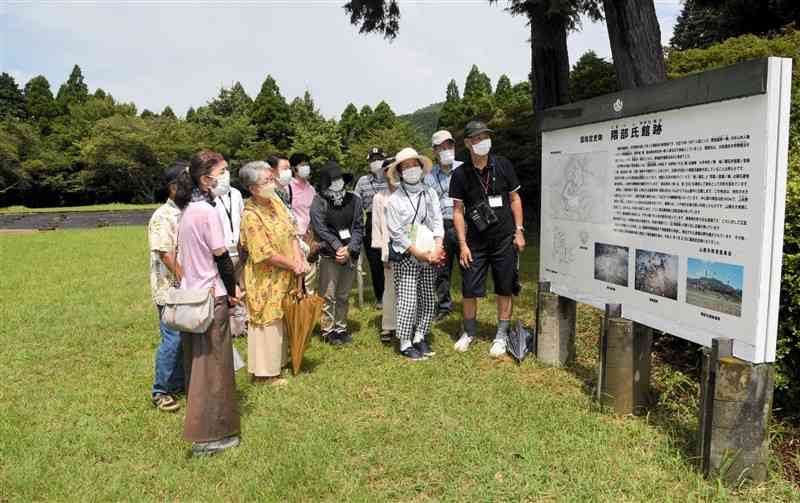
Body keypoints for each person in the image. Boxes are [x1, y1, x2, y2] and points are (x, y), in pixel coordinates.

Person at [174, 149, 240, 456]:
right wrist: (234, 288)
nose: (227, 175)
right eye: (222, 171)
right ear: (205, 179)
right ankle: (209, 435)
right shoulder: (207, 212)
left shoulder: (188, 210)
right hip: (211, 298)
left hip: (194, 298)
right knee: (213, 369)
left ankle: (206, 428)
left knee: (199, 366)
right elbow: (221, 256)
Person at [448, 120, 525, 358]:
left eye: (486, 137)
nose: (483, 142)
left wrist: (519, 230)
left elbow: (514, 199)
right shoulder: (460, 174)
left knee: (504, 286)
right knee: (469, 289)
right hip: (475, 242)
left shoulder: (502, 165)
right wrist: (462, 244)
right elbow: (458, 211)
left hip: (504, 238)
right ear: (468, 143)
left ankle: (501, 335)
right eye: (478, 139)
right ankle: (469, 332)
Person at [239, 161, 305, 386]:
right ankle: (265, 374)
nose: (272, 183)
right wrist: (292, 264)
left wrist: (298, 259)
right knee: (266, 322)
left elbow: (291, 232)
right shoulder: (251, 214)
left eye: (271, 179)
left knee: (281, 318)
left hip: (286, 274)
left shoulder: (276, 202)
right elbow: (263, 252)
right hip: (265, 278)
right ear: (252, 188)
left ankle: (279, 363)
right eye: (265, 181)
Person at [386, 148, 445, 361]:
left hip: (429, 253)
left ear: (421, 168)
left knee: (428, 298)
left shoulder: (429, 193)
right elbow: (397, 233)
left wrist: (437, 246)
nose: (411, 170)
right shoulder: (395, 200)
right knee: (408, 299)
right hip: (407, 255)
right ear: (400, 172)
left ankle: (420, 335)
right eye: (406, 166)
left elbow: (437, 221)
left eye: (414, 165)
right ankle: (405, 342)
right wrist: (418, 253)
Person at [310, 160, 364, 346]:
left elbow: (358, 226)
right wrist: (336, 246)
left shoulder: (354, 200)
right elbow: (320, 228)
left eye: (340, 178)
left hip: (349, 253)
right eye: (333, 179)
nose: (338, 182)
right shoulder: (319, 201)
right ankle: (327, 330)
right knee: (328, 294)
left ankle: (341, 328)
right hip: (329, 254)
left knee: (343, 294)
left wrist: (349, 249)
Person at [148, 162, 186, 412]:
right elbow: (165, 253)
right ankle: (161, 390)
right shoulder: (162, 215)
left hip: (188, 288)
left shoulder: (188, 211)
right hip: (169, 288)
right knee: (172, 339)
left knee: (187, 337)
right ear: (173, 188)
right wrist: (185, 277)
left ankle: (179, 382)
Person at [424, 130, 463, 321]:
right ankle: (443, 306)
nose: (447, 150)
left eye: (450, 146)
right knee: (441, 270)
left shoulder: (465, 169)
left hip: (463, 225)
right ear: (434, 151)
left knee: (468, 267)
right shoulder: (428, 176)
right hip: (439, 228)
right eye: (442, 147)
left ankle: (469, 304)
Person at [213, 167, 247, 337]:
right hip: (221, 250)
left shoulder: (236, 194)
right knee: (225, 288)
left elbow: (242, 217)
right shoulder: (209, 197)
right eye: (221, 171)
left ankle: (241, 325)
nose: (225, 174)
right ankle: (228, 327)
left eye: (226, 170)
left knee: (241, 286)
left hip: (238, 248)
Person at [354, 147, 388, 307]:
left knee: (391, 260)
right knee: (375, 263)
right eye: (372, 160)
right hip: (371, 222)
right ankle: (380, 297)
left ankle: (395, 294)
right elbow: (355, 204)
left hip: (390, 221)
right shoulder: (363, 181)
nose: (376, 162)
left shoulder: (392, 176)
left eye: (379, 159)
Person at [370, 157, 397, 344]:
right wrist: (383, 253)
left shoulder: (410, 194)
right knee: (390, 288)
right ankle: (388, 325)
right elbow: (377, 227)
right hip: (390, 249)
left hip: (412, 249)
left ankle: (408, 323)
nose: (392, 173)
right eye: (389, 170)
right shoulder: (379, 198)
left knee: (410, 288)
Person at [289, 153, 319, 294]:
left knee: (310, 277)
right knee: (297, 278)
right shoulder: (288, 188)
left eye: (307, 164)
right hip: (295, 238)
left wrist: (312, 235)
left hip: (310, 236)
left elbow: (315, 213)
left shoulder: (311, 188)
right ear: (294, 168)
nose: (306, 167)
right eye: (302, 165)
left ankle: (308, 310)